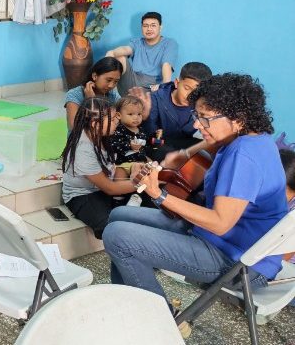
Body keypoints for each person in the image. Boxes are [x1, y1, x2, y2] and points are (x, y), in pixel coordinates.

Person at [102, 74, 288, 325]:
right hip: (229, 243)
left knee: (117, 236)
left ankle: (160, 321)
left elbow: (220, 223)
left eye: (205, 118)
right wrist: (183, 154)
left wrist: (159, 194)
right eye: (196, 115)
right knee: (119, 215)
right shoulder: (254, 138)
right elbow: (209, 147)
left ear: (238, 118)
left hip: (238, 262)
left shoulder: (243, 155)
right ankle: (130, 302)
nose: (198, 125)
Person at [60, 97, 143, 239]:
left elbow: (114, 166)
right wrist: (143, 183)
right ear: (95, 124)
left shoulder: (103, 135)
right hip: (83, 195)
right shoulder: (83, 150)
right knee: (110, 228)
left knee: (146, 207)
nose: (117, 121)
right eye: (112, 119)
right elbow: (110, 188)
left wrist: (134, 167)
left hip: (103, 187)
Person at [130, 62, 213, 161]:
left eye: (197, 93)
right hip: (157, 144)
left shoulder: (198, 105)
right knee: (163, 152)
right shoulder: (155, 99)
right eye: (187, 88)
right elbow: (149, 136)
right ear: (177, 83)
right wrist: (146, 116)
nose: (190, 96)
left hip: (179, 143)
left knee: (210, 146)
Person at [106, 11, 178, 95]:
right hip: (132, 81)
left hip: (152, 87)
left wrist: (164, 87)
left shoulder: (169, 43)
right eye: (145, 26)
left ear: (160, 27)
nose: (149, 29)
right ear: (142, 27)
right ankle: (110, 90)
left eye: (153, 25)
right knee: (120, 57)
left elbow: (167, 65)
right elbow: (126, 49)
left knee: (158, 93)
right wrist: (112, 52)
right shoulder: (137, 42)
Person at [64, 56, 123, 131]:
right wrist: (91, 102)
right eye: (108, 80)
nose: (111, 85)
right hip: (82, 137)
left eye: (116, 81)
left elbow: (123, 118)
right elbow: (73, 126)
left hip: (104, 136)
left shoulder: (112, 95)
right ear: (95, 76)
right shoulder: (74, 94)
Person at [109, 96, 149, 179]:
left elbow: (146, 144)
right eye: (130, 114)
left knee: (150, 169)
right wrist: (129, 145)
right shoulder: (118, 129)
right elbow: (113, 145)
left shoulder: (141, 130)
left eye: (139, 114)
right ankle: (121, 186)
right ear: (119, 115)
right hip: (123, 163)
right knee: (119, 177)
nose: (136, 117)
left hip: (140, 162)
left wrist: (155, 137)